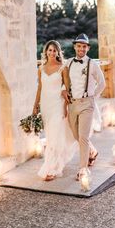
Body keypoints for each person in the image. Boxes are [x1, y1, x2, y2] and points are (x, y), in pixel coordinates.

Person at [62, 34, 106, 180]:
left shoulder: (92, 64)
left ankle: (83, 169)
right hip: (72, 104)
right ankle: (92, 152)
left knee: (83, 137)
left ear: (88, 48)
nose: (81, 49)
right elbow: (65, 81)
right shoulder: (68, 63)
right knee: (76, 135)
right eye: (79, 46)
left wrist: (93, 97)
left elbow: (102, 83)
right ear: (75, 47)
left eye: (84, 46)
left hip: (87, 104)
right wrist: (63, 89)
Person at [32, 40, 76, 181]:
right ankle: (55, 162)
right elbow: (40, 88)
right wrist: (35, 105)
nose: (52, 53)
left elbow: (67, 88)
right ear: (46, 51)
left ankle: (52, 168)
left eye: (54, 50)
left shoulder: (63, 67)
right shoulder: (41, 68)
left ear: (58, 52)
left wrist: (65, 106)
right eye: (49, 50)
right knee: (51, 136)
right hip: (46, 105)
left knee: (55, 136)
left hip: (58, 104)